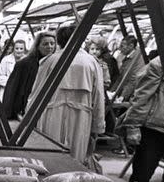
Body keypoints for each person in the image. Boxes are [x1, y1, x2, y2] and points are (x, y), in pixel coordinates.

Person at [27, 25, 105, 163]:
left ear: (60, 41)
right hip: (81, 115)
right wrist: (97, 125)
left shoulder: (49, 60)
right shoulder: (91, 62)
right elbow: (98, 95)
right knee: (75, 156)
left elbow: (37, 91)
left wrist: (29, 117)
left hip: (51, 113)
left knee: (50, 153)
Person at [2, 31, 56, 119]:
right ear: (38, 46)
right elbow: (13, 89)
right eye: (45, 44)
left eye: (52, 43)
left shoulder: (56, 62)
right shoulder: (24, 64)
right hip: (28, 108)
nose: (49, 47)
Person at [111, 35, 145, 100]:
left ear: (131, 46)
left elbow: (133, 80)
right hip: (127, 92)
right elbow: (121, 77)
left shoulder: (138, 60)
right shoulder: (128, 57)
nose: (120, 49)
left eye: (122, 46)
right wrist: (112, 91)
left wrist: (123, 96)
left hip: (134, 95)